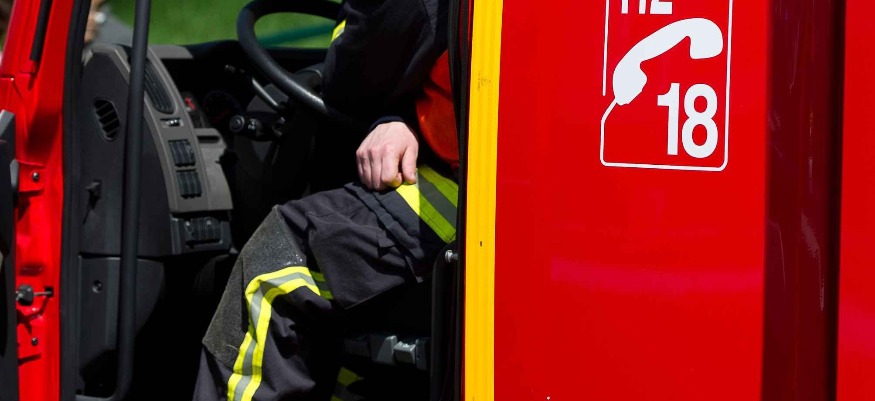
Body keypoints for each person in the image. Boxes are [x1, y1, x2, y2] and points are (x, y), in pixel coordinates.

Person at [192, 0, 458, 399]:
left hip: (483, 191)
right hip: (511, 172)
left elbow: (357, 73)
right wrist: (404, 120)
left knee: (279, 264)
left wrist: (388, 112)